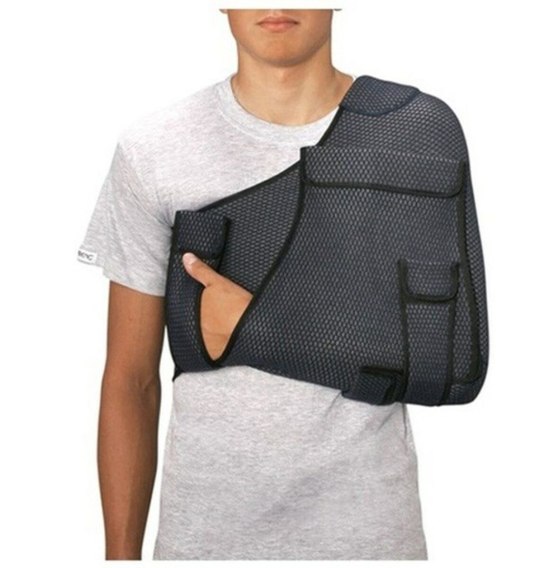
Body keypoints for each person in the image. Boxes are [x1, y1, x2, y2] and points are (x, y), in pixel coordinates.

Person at [76, 8, 429, 560]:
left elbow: (441, 360)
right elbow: (130, 380)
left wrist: (259, 326)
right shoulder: (155, 149)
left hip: (368, 536)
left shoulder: (409, 133)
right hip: (205, 538)